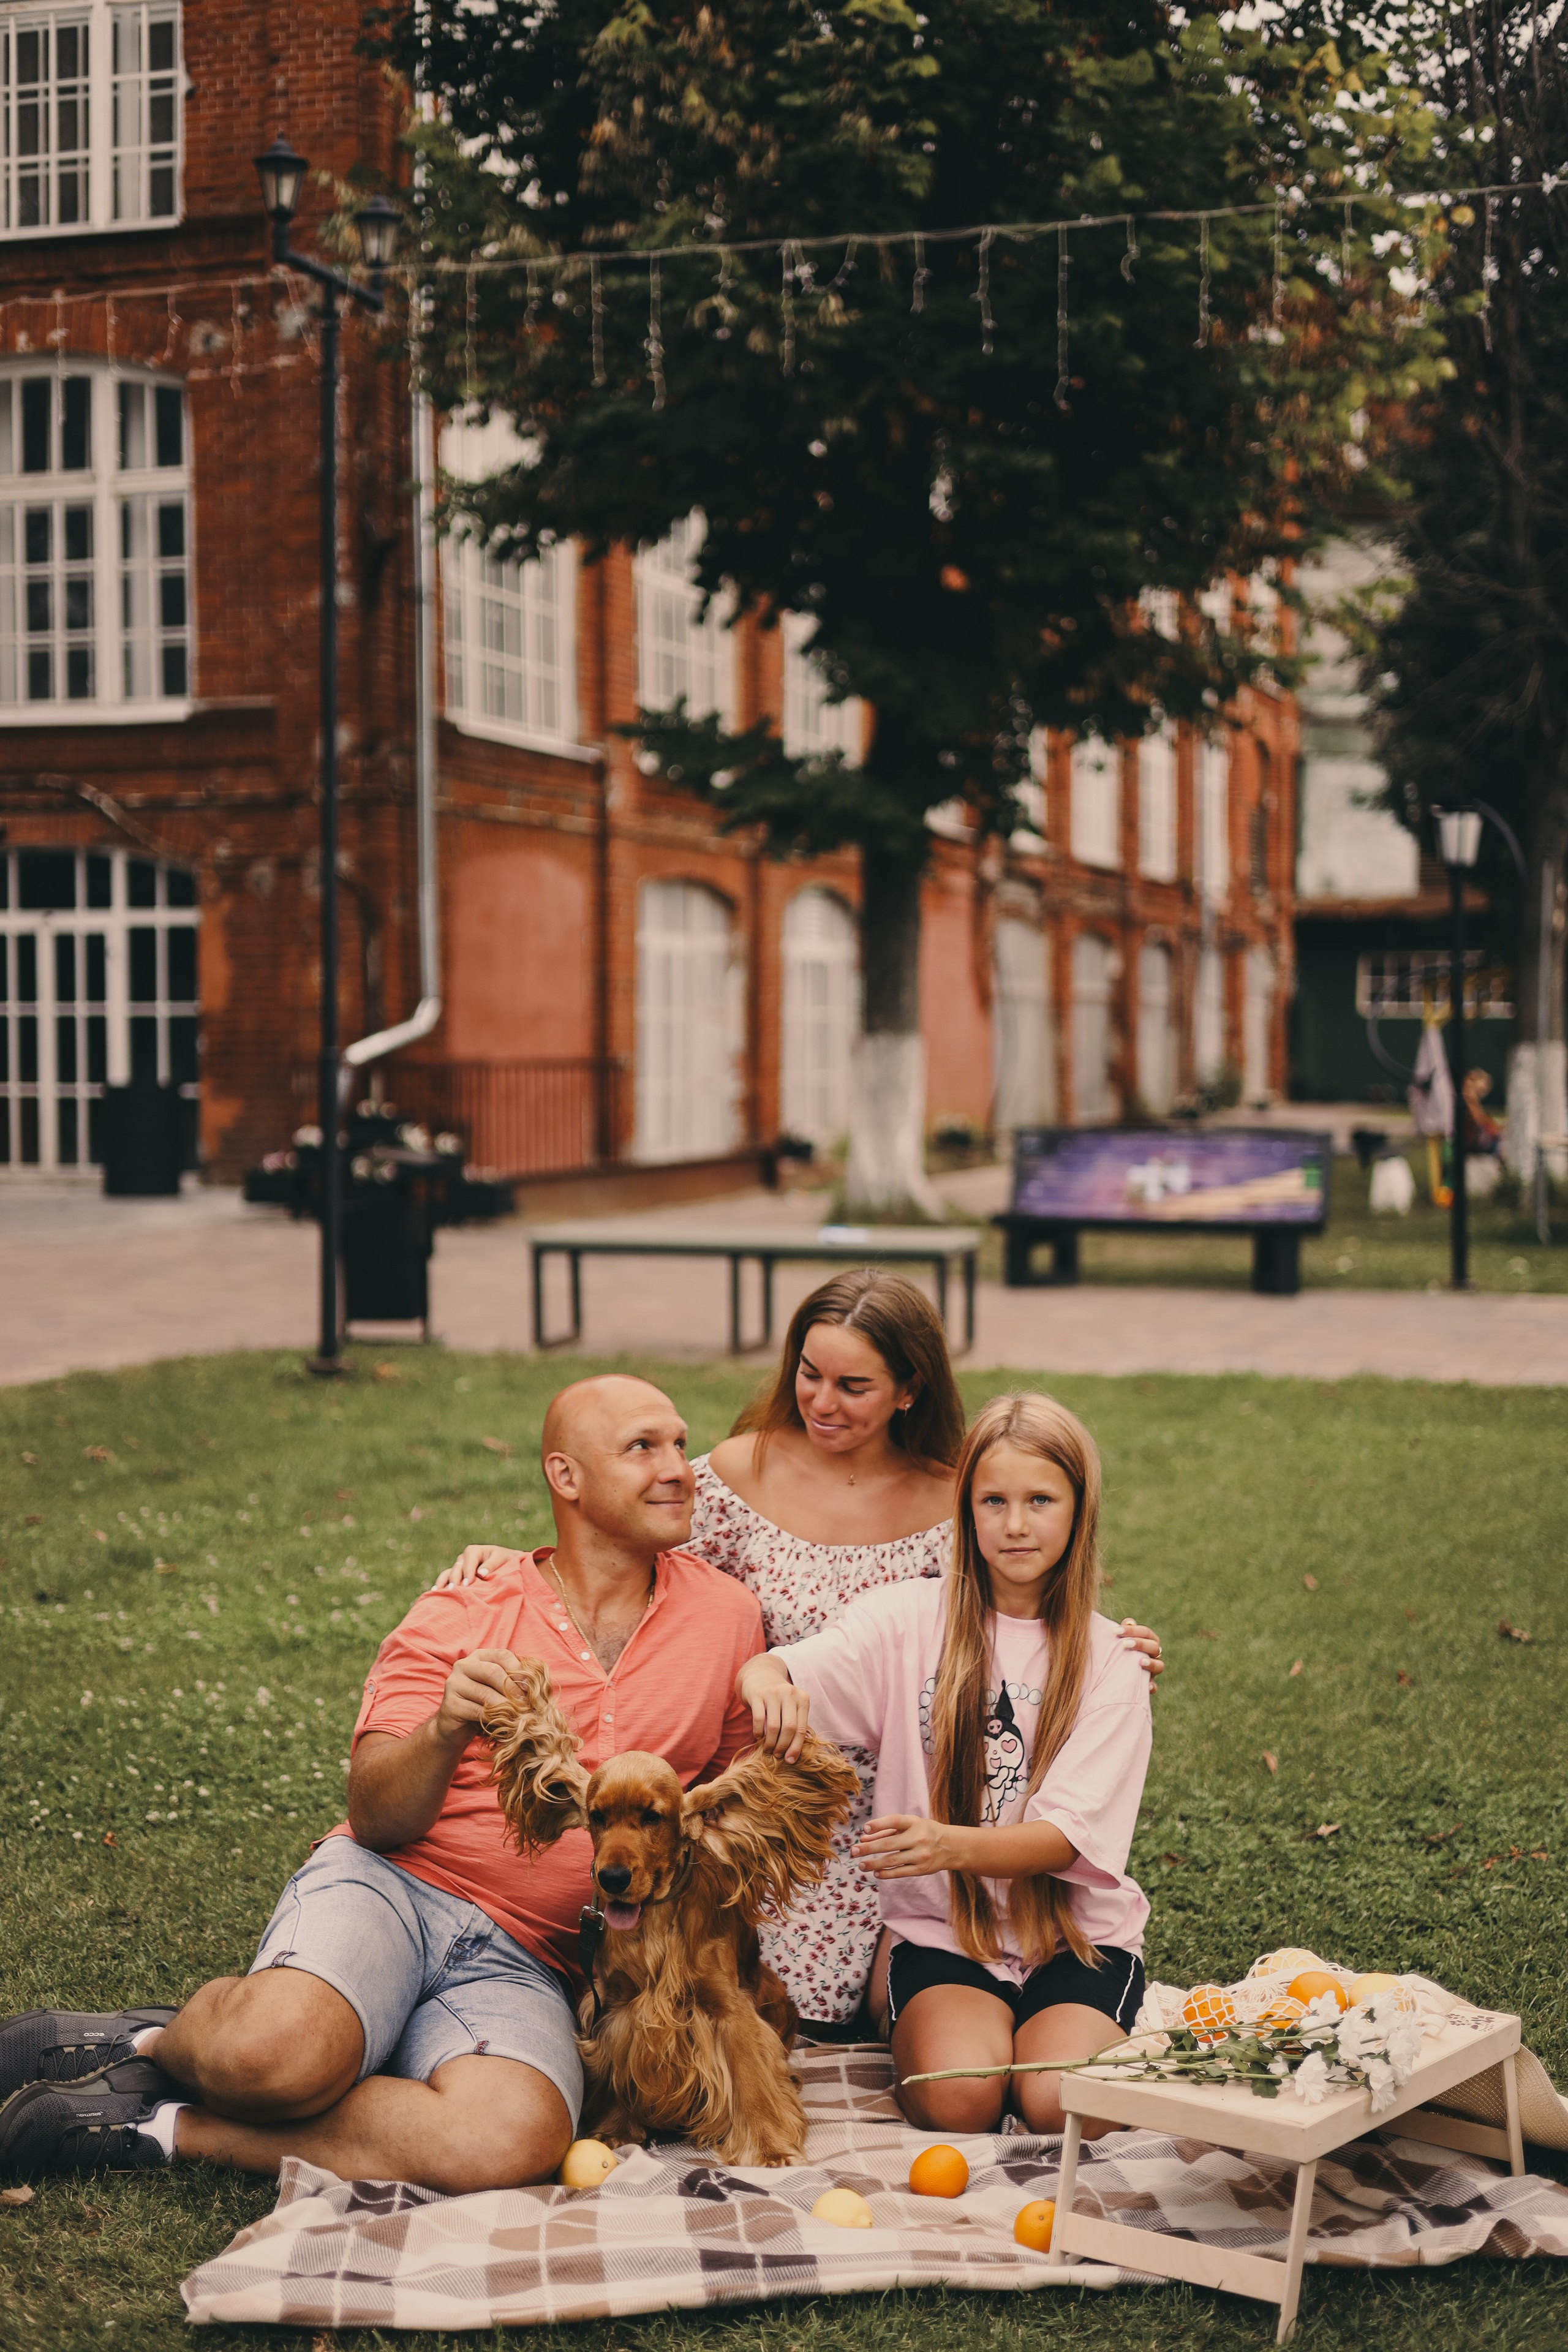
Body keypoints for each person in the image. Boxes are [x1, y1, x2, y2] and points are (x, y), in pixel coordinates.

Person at [0, 1376, 764, 2188]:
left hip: (533, 1963)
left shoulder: (727, 1619)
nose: (681, 1467)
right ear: (565, 1477)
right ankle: (150, 2042)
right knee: (271, 2057)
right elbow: (375, 1815)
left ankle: (161, 2125)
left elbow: (718, 1833)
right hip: (395, 1888)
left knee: (510, 2140)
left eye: (681, 1443)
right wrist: (443, 1728)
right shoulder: (467, 1603)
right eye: (643, 1447)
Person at [440, 1269, 1164, 2035]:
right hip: (766, 1800)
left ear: (909, 1390)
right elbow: (635, 1556)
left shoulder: (958, 1498)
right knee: (749, 1999)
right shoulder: (735, 1474)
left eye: (853, 1385)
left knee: (883, 2001)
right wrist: (528, 1561)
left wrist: (1114, 1645)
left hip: (908, 1804)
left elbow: (1017, 1612)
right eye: (808, 1374)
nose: (821, 1401)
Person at [738, 1390, 1152, 2138]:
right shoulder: (904, 1619)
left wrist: (944, 1844)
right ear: (964, 1509)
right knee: (959, 2099)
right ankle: (937, 2008)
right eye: (993, 1500)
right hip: (943, 1935)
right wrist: (765, 1682)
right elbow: (787, 1670)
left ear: (1079, 1509)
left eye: (1040, 1500)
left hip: (1074, 1940)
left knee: (1058, 2106)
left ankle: (1058, 2030)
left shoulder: (1111, 1661)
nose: (1016, 1524)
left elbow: (1064, 1840)